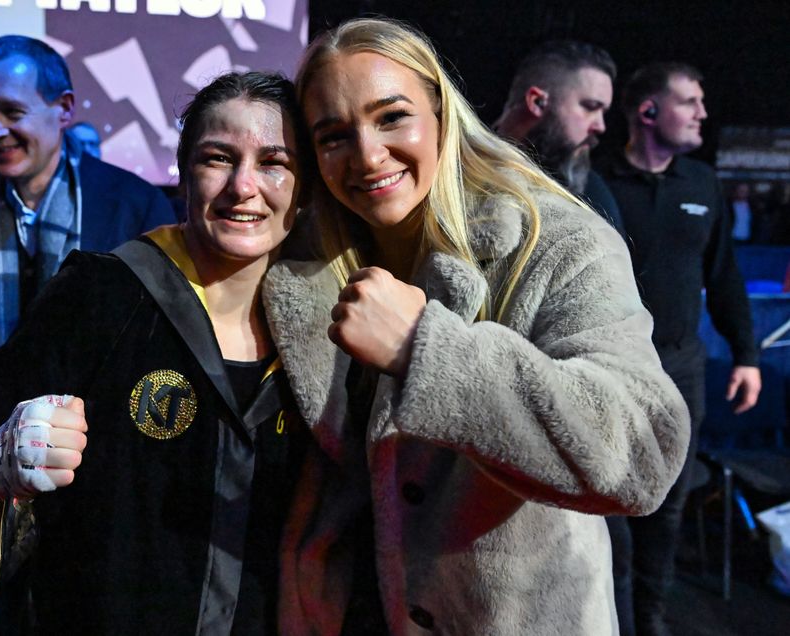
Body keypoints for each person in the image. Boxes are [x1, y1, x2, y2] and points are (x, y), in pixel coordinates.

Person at [260, 18, 690, 635]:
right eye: (333, 136)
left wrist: (426, 351)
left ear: (441, 112)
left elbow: (643, 452)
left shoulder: (557, 242)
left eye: (391, 117)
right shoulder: (301, 263)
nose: (367, 154)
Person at [0, 71, 311, 634]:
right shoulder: (103, 292)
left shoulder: (325, 324)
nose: (243, 186)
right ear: (185, 172)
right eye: (218, 158)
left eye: (274, 162)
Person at [597, 63, 761, 636]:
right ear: (648, 112)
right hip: (608, 367)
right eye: (689, 102)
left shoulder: (702, 183)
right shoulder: (596, 181)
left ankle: (652, 619)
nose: (702, 114)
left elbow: (724, 275)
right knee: (607, 497)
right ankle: (612, 620)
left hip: (681, 366)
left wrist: (746, 354)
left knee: (669, 501)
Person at [0, 35, 176, 411]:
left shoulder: (135, 203)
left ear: (64, 109)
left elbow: (162, 342)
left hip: (101, 437)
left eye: (11, 112)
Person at [494, 40, 624, 234]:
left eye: (603, 112)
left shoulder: (594, 195)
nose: (601, 126)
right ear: (537, 101)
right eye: (590, 107)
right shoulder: (458, 165)